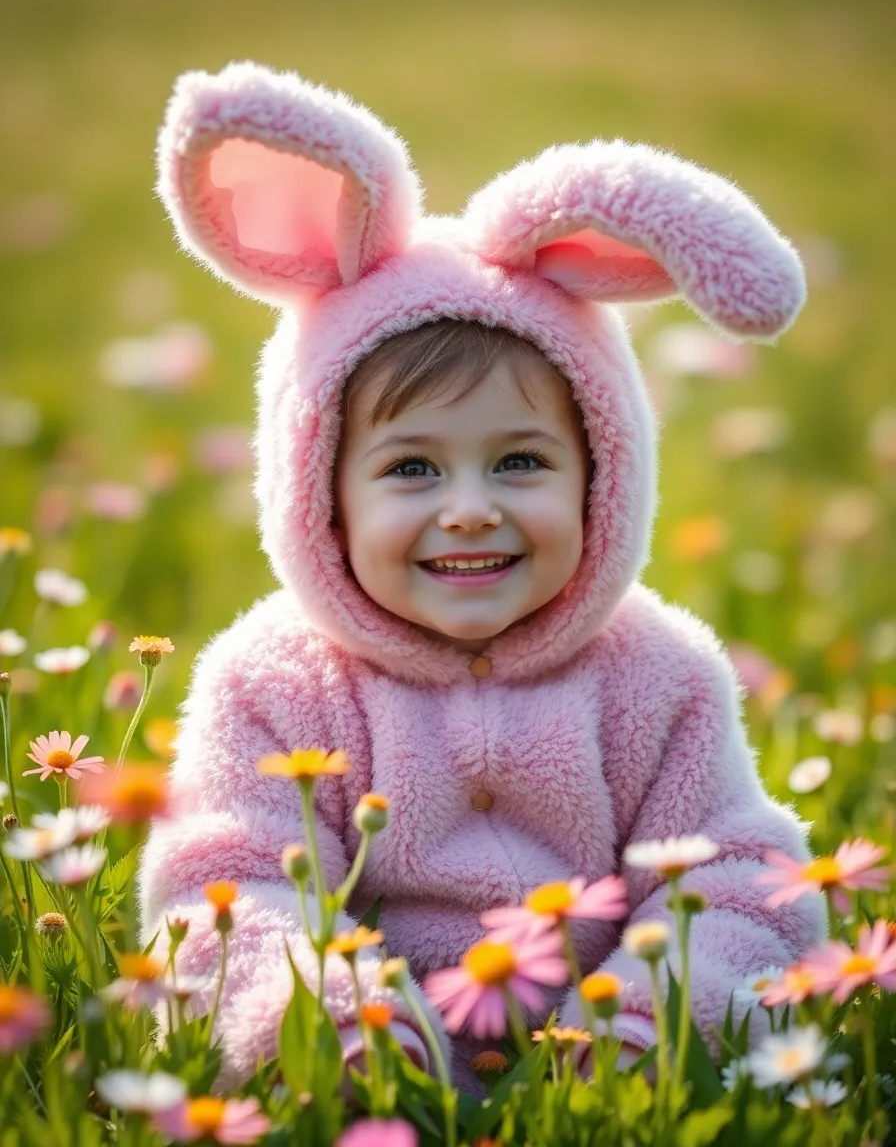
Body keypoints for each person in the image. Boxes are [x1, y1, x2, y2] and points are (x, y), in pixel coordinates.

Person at [137, 61, 825, 1096]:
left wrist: (655, 1029)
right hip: (374, 1080)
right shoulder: (271, 682)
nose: (469, 508)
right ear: (319, 495)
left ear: (603, 476)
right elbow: (225, 885)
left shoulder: (656, 673)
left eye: (519, 461)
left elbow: (738, 880)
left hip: (599, 1083)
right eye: (411, 468)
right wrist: (322, 1026)